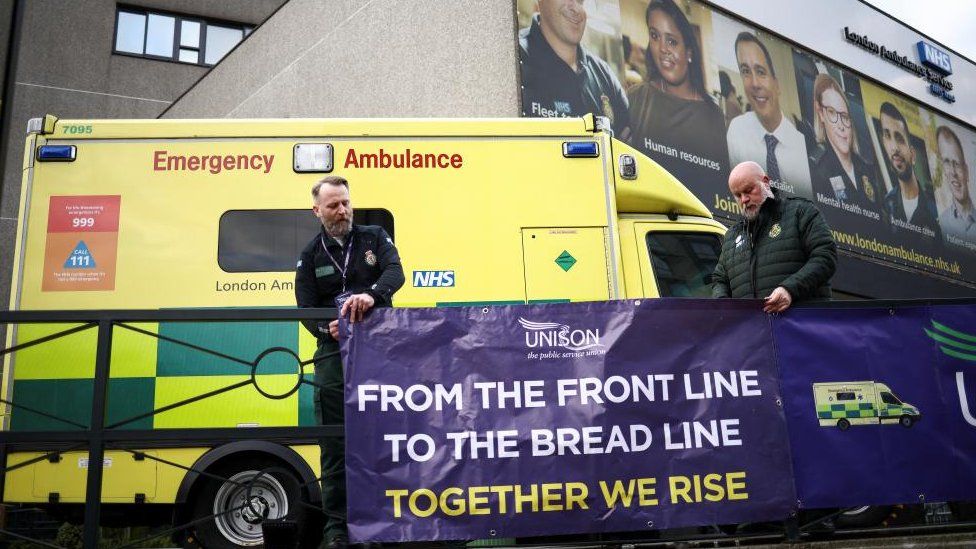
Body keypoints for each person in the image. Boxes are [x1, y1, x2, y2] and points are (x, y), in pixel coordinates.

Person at [295, 175, 404, 548]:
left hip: (381, 351)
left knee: (388, 437)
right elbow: (306, 309)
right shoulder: (309, 255)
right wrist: (328, 330)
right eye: (333, 205)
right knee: (336, 445)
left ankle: (391, 522)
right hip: (332, 356)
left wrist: (373, 296)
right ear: (317, 211)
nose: (341, 211)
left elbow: (396, 272)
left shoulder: (374, 236)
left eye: (345, 203)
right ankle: (337, 530)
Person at [712, 161, 837, 312]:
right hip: (755, 331)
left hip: (802, 326)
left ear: (765, 182)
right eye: (738, 195)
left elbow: (825, 256)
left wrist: (789, 289)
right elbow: (720, 280)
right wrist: (723, 305)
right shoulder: (732, 236)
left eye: (749, 190)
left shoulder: (800, 212)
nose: (744, 199)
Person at [628, 0, 728, 174]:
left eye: (672, 41)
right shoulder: (635, 98)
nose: (662, 49)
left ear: (689, 52)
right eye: (654, 36)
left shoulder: (715, 116)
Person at [519, 0, 630, 136]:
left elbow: (628, 144)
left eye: (580, 1)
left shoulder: (604, 75)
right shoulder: (514, 57)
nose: (576, 9)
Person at [726, 33, 812, 197]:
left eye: (761, 72)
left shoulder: (802, 147)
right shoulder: (736, 130)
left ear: (776, 84)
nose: (755, 83)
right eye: (745, 71)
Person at [809, 73, 882, 214]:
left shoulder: (868, 171)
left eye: (844, 116)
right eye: (832, 113)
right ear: (821, 114)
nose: (841, 125)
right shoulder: (817, 170)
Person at [878, 102, 940, 237]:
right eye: (887, 135)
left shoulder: (935, 208)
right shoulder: (887, 205)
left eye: (899, 139)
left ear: (912, 155)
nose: (894, 148)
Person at [935, 125, 975, 242]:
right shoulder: (940, 225)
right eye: (947, 162)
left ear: (966, 171)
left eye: (956, 163)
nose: (953, 172)